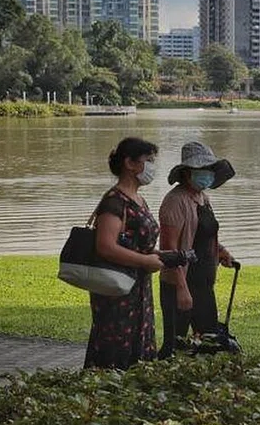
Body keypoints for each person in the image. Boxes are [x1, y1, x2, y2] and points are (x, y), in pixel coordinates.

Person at [85, 137, 164, 370]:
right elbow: (105, 247)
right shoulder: (114, 202)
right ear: (129, 164)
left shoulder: (139, 200)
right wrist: (145, 260)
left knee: (141, 344)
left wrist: (159, 257)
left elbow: (137, 245)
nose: (151, 167)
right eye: (148, 160)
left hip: (139, 289)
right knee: (116, 347)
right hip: (116, 291)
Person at [158, 142, 236, 358]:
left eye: (210, 169)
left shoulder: (203, 198)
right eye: (203, 170)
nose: (208, 174)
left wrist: (221, 251)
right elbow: (168, 251)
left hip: (203, 283)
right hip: (180, 283)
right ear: (187, 173)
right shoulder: (174, 201)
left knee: (209, 342)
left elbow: (205, 234)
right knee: (176, 345)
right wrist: (182, 289)